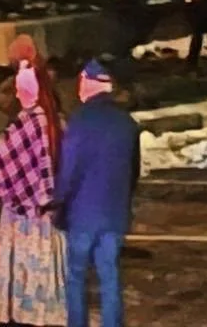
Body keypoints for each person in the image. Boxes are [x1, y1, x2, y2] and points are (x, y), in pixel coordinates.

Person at [56, 63, 138, 327]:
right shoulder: (126, 123)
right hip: (114, 213)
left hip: (82, 215)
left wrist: (57, 202)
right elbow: (133, 171)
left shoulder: (79, 122)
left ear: (90, 84)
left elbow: (69, 169)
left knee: (76, 276)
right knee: (110, 275)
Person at [0, 64, 64, 327]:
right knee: (38, 260)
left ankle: (27, 311)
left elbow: (9, 158)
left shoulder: (32, 121)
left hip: (27, 212)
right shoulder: (47, 119)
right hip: (43, 210)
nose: (18, 95)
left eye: (21, 90)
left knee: (27, 262)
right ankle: (40, 309)